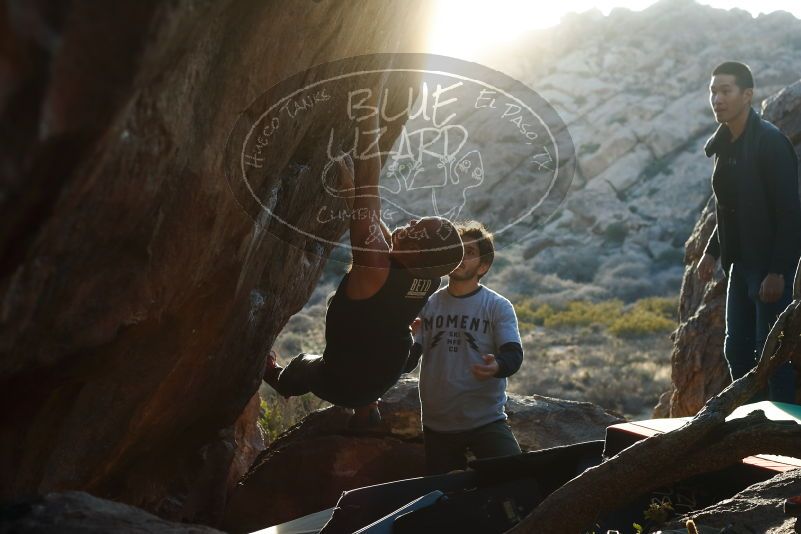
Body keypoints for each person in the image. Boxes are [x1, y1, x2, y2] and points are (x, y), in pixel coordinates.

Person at [263, 99, 464, 426]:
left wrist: (367, 124)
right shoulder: (429, 276)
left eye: (416, 231)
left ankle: (279, 381)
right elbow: (380, 241)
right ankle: (369, 408)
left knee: (302, 365)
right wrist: (351, 195)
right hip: (386, 371)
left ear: (419, 254)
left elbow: (370, 204)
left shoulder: (377, 271)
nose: (409, 225)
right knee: (394, 346)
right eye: (417, 222)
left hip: (342, 384)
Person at [696, 61, 800, 402]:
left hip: (768, 269)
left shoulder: (770, 142)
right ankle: (748, 429)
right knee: (736, 354)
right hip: (738, 267)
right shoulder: (724, 145)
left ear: (748, 94)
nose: (717, 99)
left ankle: (779, 442)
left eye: (725, 91)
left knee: (772, 359)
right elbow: (728, 208)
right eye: (713, 91)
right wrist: (712, 252)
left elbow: (790, 212)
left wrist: (778, 271)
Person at [405, 221, 524, 474]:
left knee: (515, 479)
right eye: (457, 249)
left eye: (469, 252)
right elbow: (407, 362)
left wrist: (497, 366)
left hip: (486, 420)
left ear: (483, 266)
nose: (460, 256)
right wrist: (404, 336)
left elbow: (513, 354)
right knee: (445, 501)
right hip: (438, 425)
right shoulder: (427, 303)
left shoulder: (497, 306)